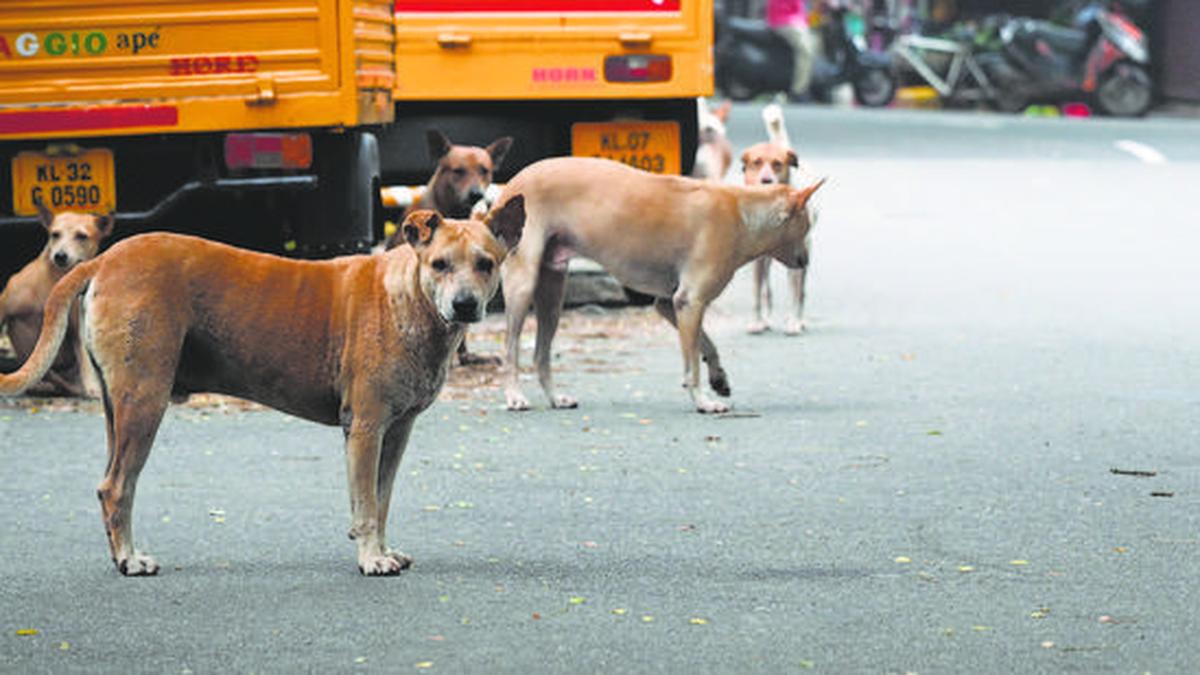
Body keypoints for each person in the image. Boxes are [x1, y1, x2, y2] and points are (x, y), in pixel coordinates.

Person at [766, 0, 816, 99]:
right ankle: (799, 90)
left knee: (815, 42)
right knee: (806, 50)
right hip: (784, 20)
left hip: (796, 20)